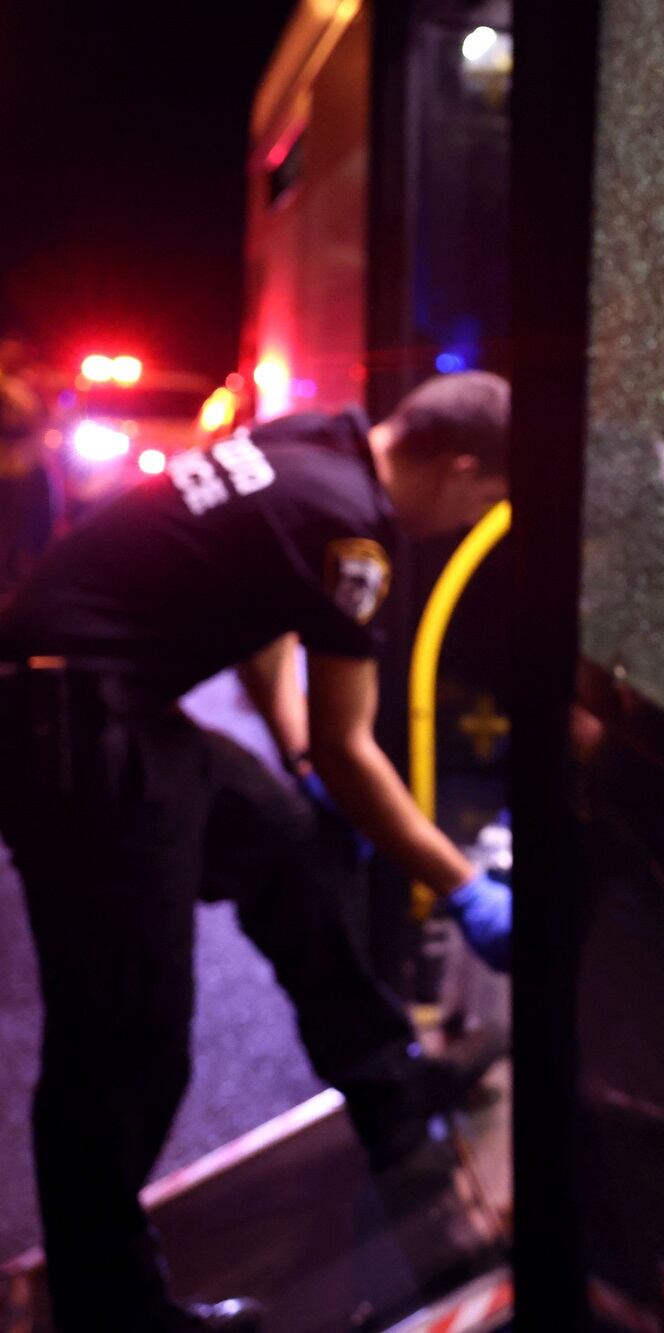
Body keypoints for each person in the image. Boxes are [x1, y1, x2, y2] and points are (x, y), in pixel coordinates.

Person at [0, 372, 515, 1332]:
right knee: (124, 1035)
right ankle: (109, 1304)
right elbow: (355, 753)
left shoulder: (315, 441)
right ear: (458, 467)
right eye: (482, 500)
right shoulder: (356, 532)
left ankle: (390, 1089)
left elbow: (265, 613)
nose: (467, 523)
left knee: (288, 846)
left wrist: (293, 752)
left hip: (111, 702)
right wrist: (464, 888)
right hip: (69, 726)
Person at [0, 334, 56, 591]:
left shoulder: (24, 387)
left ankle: (13, 570)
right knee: (6, 521)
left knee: (22, 522)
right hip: (6, 467)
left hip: (26, 465)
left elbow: (44, 417)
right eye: (7, 353)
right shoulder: (5, 388)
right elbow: (12, 424)